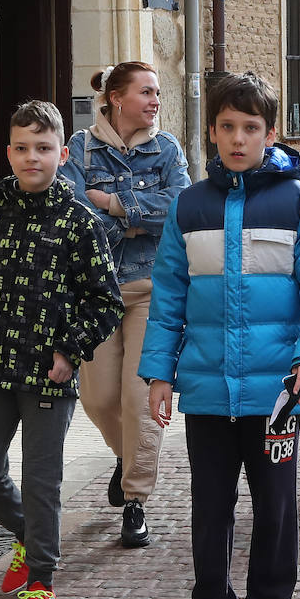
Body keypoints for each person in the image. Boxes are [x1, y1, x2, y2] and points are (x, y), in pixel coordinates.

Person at [139, 72, 300, 599]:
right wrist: (159, 372)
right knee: (209, 506)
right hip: (206, 390)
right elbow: (170, 295)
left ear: (270, 132)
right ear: (210, 131)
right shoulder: (189, 206)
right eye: (226, 127)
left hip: (278, 393)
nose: (238, 138)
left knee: (275, 505)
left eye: (250, 127)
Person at [0, 100, 123, 599]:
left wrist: (70, 351)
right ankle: (29, 536)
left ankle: (42, 583)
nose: (33, 158)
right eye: (23, 149)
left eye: (44, 149)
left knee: (41, 479)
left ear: (62, 154)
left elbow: (106, 300)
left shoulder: (79, 222)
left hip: (49, 374)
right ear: (9, 153)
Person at [59, 61, 191, 548]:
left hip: (151, 289)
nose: (156, 100)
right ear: (115, 98)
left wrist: (115, 206)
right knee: (96, 398)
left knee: (139, 401)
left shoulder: (167, 148)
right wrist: (134, 220)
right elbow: (74, 210)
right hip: (95, 290)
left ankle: (135, 501)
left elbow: (179, 205)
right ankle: (127, 458)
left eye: (157, 92)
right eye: (146, 92)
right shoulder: (80, 148)